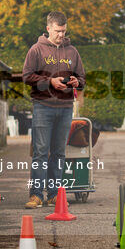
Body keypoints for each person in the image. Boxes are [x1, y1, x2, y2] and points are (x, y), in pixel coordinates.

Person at [22, 11, 86, 208]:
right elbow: (26, 76)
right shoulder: (36, 50)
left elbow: (82, 79)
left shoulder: (72, 52)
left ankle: (53, 195)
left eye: (64, 31)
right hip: (43, 107)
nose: (61, 35)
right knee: (41, 152)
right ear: (48, 28)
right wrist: (50, 81)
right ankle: (35, 195)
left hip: (66, 108)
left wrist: (77, 82)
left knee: (59, 153)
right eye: (58, 31)